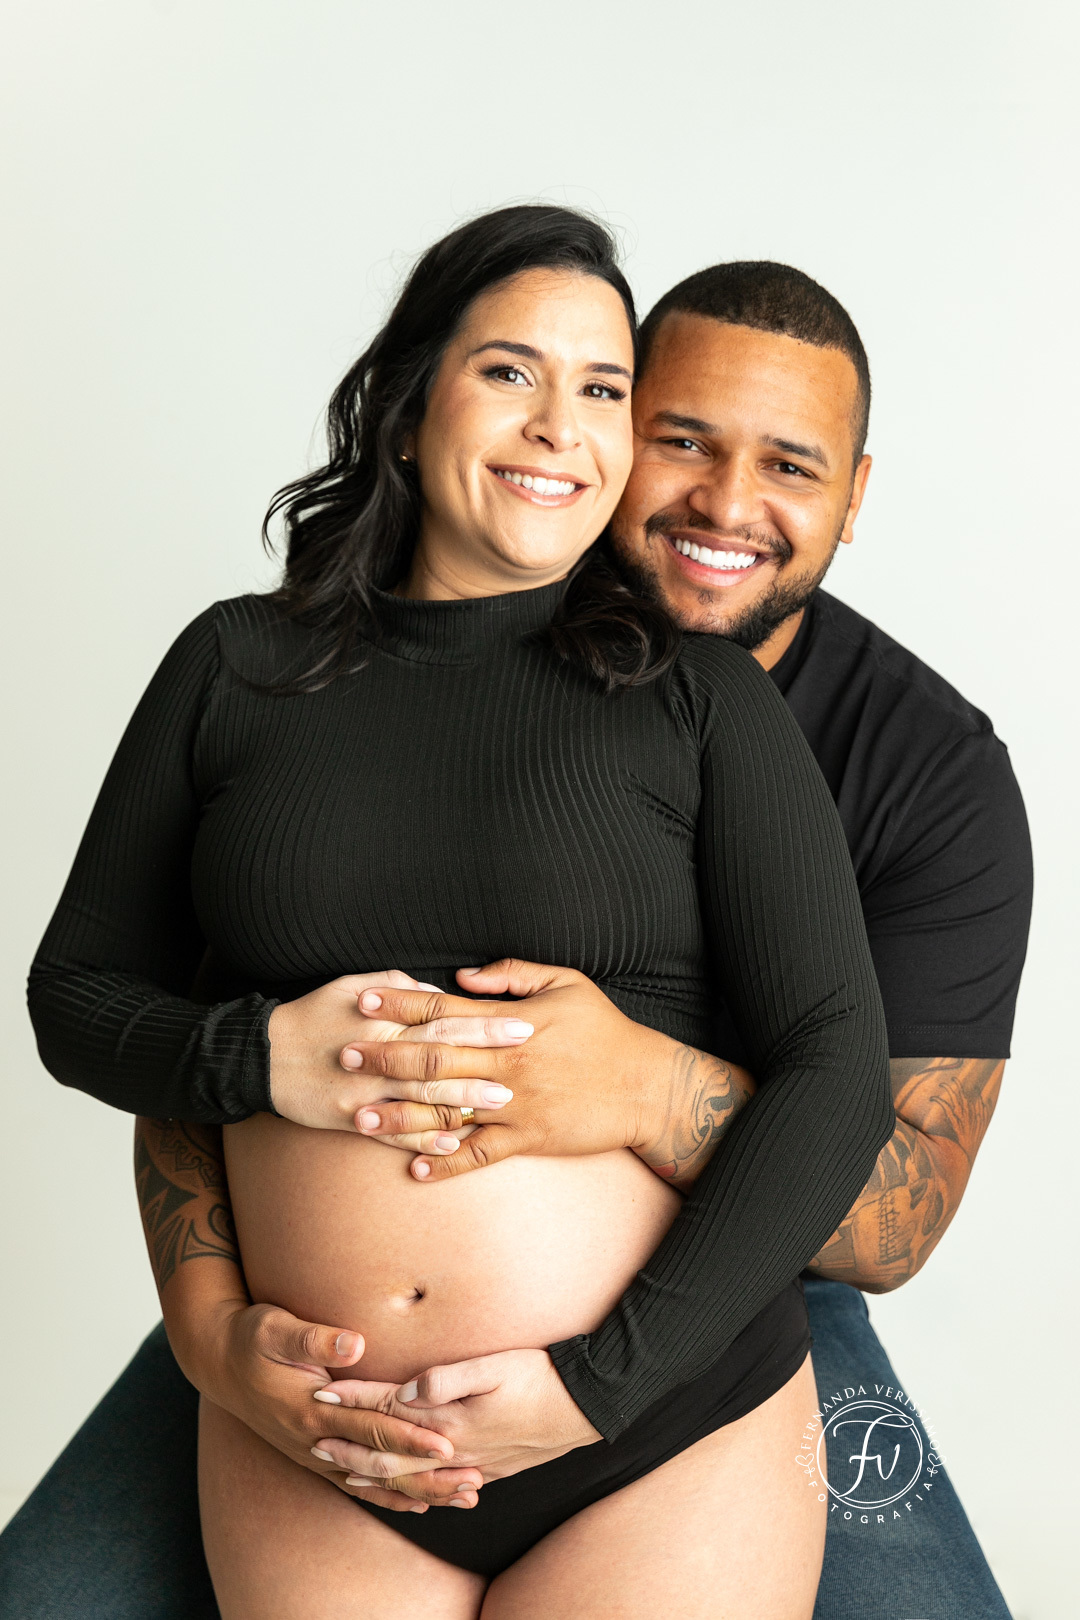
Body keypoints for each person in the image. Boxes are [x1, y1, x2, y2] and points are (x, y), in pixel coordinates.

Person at [0, 252, 1029, 1620]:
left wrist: (638, 1102)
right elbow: (129, 1004)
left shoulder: (848, 745)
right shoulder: (242, 669)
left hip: (693, 1361)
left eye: (595, 388)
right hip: (318, 1402)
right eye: (679, 436)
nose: (725, 503)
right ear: (409, 402)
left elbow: (873, 1167)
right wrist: (207, 1315)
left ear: (854, 493)